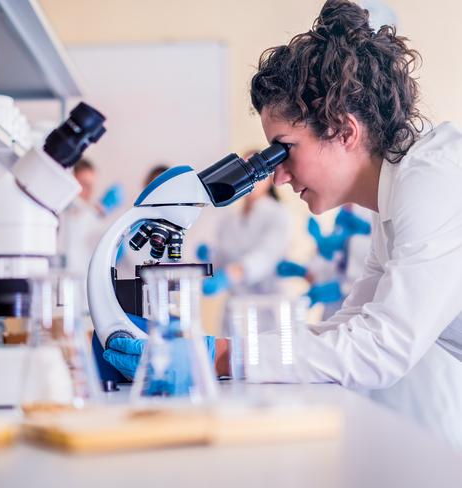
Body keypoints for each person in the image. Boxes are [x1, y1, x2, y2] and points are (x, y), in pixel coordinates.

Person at [103, 0, 462, 446]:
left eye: (284, 149)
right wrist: (212, 349)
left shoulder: (434, 179)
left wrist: (221, 356)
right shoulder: (394, 198)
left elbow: (382, 347)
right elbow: (348, 324)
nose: (278, 174)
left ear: (344, 131)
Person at [200, 150, 291, 296]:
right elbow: (223, 258)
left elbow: (266, 256)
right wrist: (210, 256)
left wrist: (230, 275)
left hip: (267, 304)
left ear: (269, 178)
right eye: (244, 171)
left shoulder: (276, 214)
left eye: (256, 171)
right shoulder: (230, 219)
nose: (250, 177)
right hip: (235, 304)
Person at [58, 159, 124, 278]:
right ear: (72, 181)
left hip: (82, 287)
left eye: (91, 186)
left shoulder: (94, 219)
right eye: (84, 184)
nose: (89, 191)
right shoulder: (58, 213)